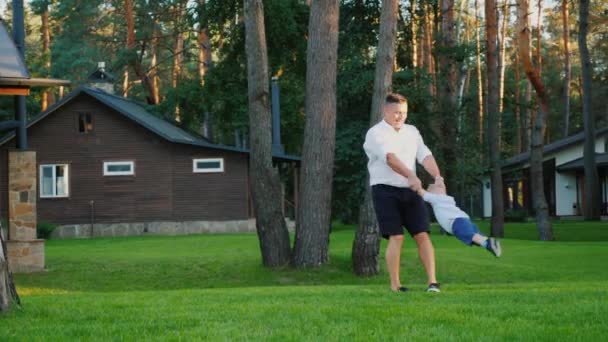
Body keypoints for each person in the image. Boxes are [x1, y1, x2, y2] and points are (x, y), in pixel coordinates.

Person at [363, 93, 443, 293]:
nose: (400, 117)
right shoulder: (375, 133)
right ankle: (395, 285)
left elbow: (425, 156)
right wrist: (411, 175)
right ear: (385, 111)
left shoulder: (412, 131)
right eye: (396, 113)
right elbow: (390, 158)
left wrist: (438, 178)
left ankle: (433, 283)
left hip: (410, 191)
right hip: (385, 190)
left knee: (422, 234)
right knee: (396, 237)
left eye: (404, 113)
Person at [418, 182, 502, 257]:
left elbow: (421, 192)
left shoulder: (436, 199)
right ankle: (489, 242)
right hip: (463, 219)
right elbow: (440, 185)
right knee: (473, 237)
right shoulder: (446, 198)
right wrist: (438, 179)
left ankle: (488, 243)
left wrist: (413, 183)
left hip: (456, 222)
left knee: (469, 236)